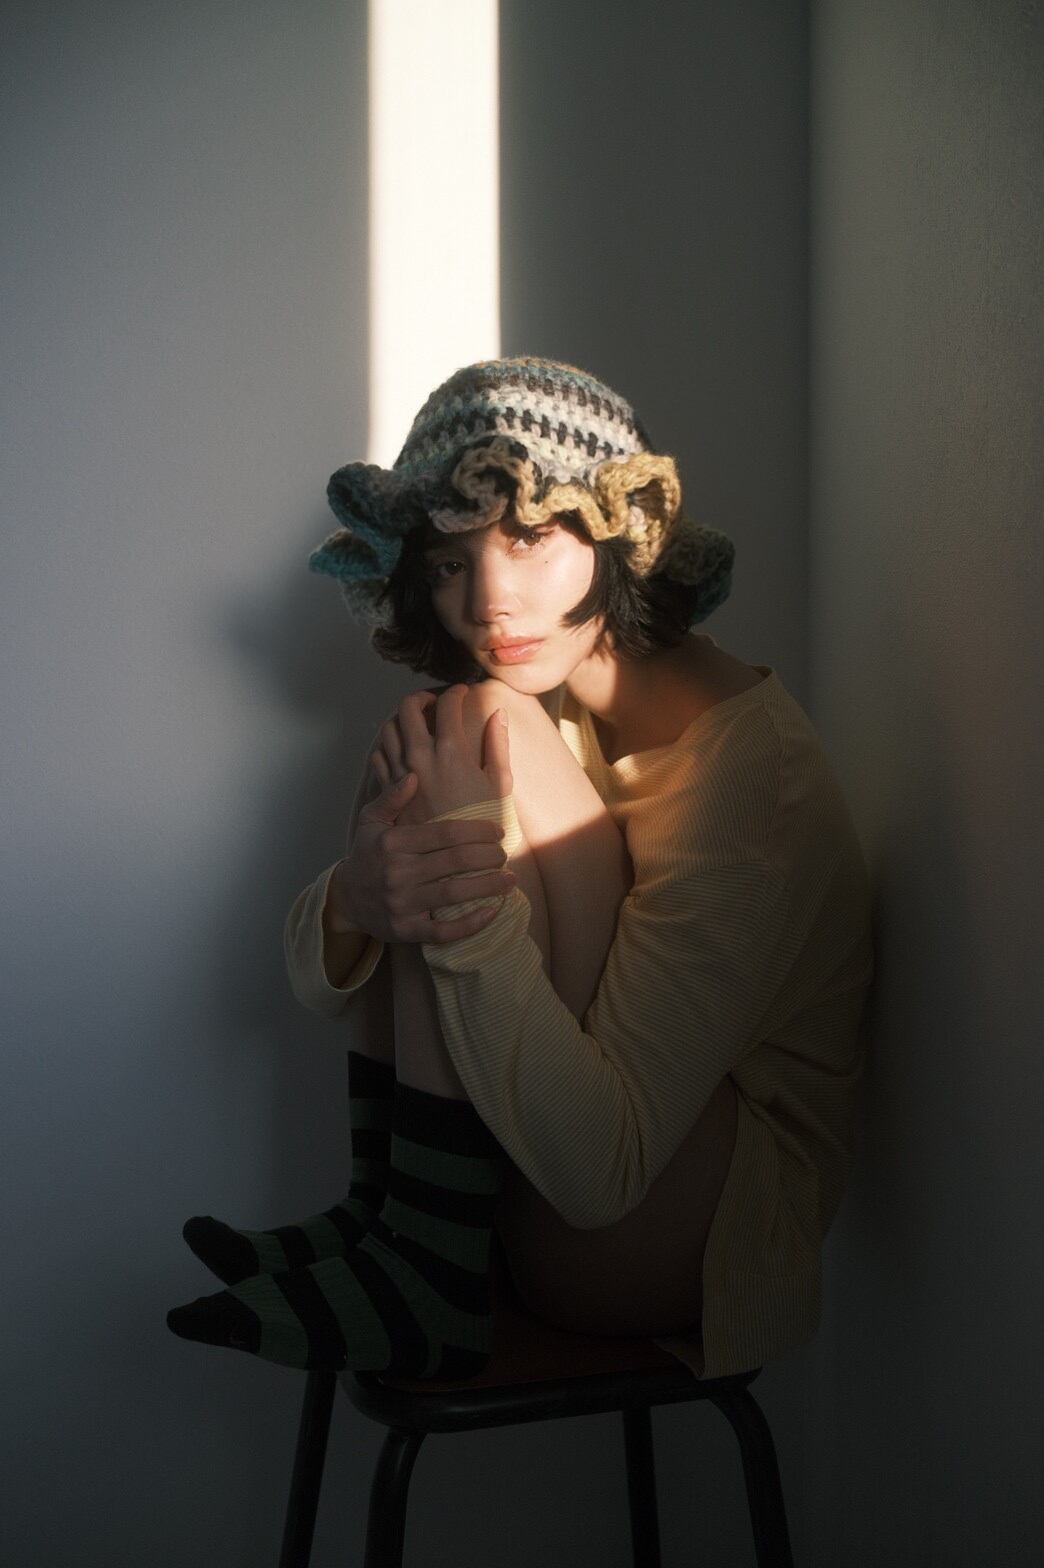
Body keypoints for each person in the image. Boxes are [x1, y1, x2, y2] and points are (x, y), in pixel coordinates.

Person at [167, 355, 874, 1382]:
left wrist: (465, 920)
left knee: (468, 727)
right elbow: (321, 989)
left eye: (530, 537)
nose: (489, 602)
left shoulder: (747, 779)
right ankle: (391, 1221)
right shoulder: (562, 710)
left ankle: (421, 1261)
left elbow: (604, 1170)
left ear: (619, 534)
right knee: (437, 735)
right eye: (449, 564)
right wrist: (359, 896)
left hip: (674, 1245)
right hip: (535, 1190)